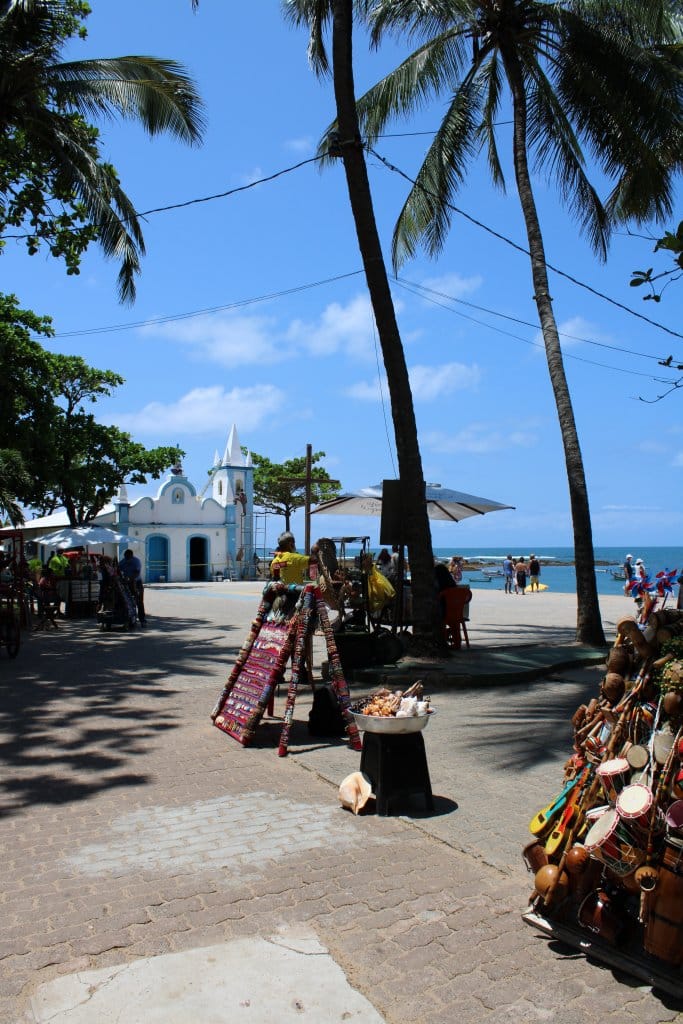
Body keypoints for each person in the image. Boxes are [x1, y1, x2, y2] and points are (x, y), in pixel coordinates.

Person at [118, 548, 146, 625]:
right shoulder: (123, 561)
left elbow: (137, 572)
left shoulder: (136, 561)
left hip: (137, 583)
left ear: (131, 555)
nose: (126, 558)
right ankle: (128, 617)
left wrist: (130, 578)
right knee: (126, 601)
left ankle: (142, 620)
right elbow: (118, 569)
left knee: (139, 601)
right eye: (125, 557)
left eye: (128, 557)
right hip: (127, 583)